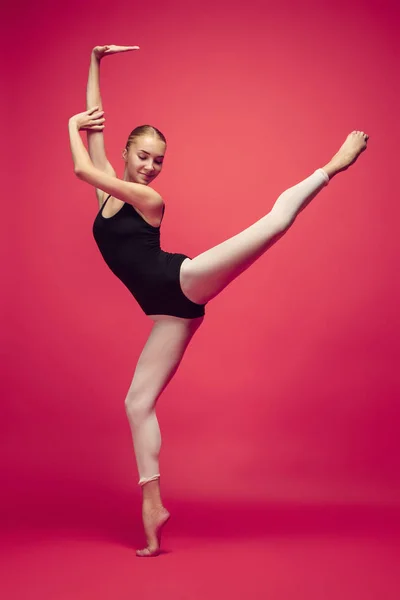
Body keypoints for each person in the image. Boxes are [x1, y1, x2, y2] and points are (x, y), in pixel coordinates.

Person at [68, 44, 369, 557]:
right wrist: (95, 63)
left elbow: (80, 164)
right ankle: (153, 505)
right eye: (142, 157)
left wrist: (69, 125)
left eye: (159, 161)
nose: (150, 168)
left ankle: (335, 164)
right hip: (166, 313)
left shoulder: (149, 200)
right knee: (136, 403)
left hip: (182, 282)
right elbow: (94, 132)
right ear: (125, 153)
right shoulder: (111, 192)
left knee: (273, 222)